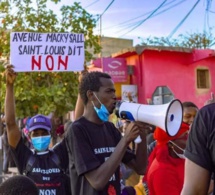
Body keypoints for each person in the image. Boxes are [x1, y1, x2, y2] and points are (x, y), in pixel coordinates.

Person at [65, 71, 148, 194]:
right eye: (109, 91)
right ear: (91, 95)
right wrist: (125, 140)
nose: (114, 96)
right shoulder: (77, 130)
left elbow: (140, 168)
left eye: (114, 92)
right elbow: (97, 181)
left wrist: (142, 132)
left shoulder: (110, 128)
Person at [4, 65, 70, 195]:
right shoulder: (25, 157)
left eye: (43, 133)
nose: (40, 136)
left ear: (50, 134)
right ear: (30, 136)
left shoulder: (60, 154)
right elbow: (10, 124)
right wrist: (9, 86)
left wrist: (82, 89)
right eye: (36, 133)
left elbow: (77, 125)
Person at [146, 122, 189, 195]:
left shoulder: (179, 158)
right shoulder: (162, 171)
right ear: (170, 144)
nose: (189, 140)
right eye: (185, 137)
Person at [181, 102, 215, 195]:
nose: (192, 120)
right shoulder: (209, 116)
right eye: (187, 116)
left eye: (195, 116)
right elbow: (194, 190)